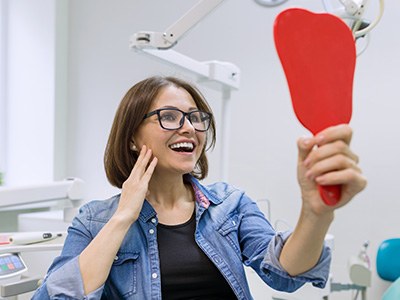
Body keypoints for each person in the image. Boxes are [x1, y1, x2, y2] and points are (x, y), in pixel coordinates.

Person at [32, 75, 366, 300]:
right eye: (169, 116)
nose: (189, 128)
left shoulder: (229, 204)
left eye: (195, 117)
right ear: (133, 137)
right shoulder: (95, 220)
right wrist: (123, 216)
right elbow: (58, 295)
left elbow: (285, 273)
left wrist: (316, 213)